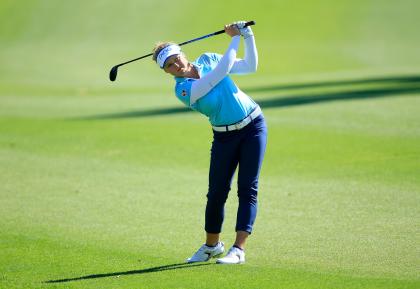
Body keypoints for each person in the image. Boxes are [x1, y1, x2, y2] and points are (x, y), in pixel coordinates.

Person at [152, 21, 267, 264]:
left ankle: (238, 250)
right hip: (224, 136)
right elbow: (220, 73)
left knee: (247, 188)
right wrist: (234, 38)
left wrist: (248, 35)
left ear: (183, 53)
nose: (177, 66)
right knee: (216, 193)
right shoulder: (183, 90)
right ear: (167, 72)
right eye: (170, 66)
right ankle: (211, 246)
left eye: (176, 59)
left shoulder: (208, 58)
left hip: (253, 127)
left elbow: (250, 66)